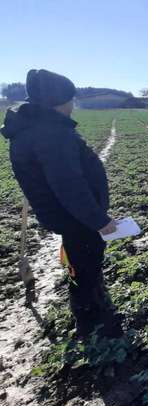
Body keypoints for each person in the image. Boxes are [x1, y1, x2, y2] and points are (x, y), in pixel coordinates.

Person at [2, 69, 121, 338]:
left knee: (83, 260)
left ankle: (94, 301)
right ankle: (91, 320)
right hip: (74, 217)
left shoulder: (37, 130)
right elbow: (69, 186)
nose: (73, 105)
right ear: (58, 101)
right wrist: (99, 220)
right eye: (70, 99)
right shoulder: (50, 135)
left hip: (68, 215)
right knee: (84, 263)